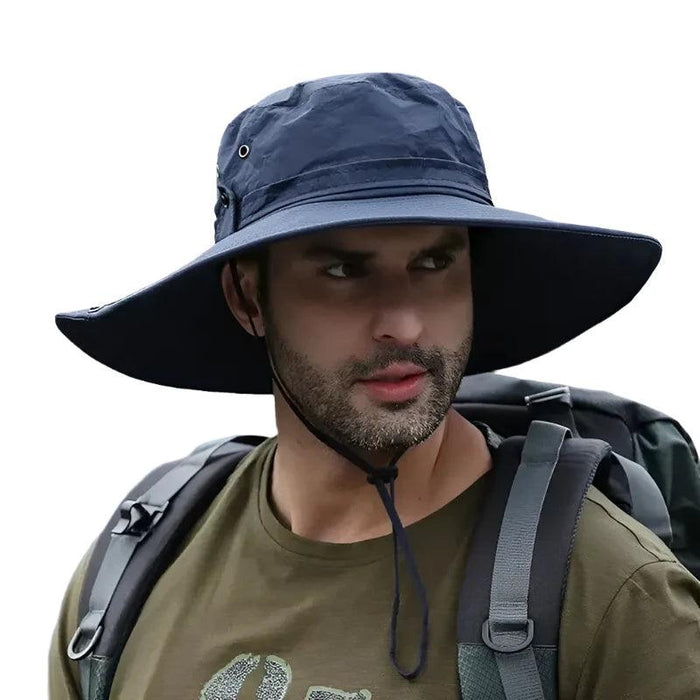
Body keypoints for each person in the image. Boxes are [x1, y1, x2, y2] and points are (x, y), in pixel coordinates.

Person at [49, 72, 700, 699]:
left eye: (434, 262)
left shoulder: (611, 594)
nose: (404, 321)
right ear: (248, 296)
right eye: (342, 269)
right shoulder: (126, 581)